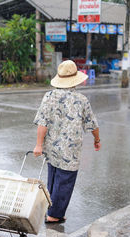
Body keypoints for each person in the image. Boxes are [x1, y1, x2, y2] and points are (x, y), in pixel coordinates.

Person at [33, 60, 101, 223]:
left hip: (52, 147)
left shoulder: (49, 96)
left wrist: (39, 145)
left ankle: (50, 208)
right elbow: (92, 124)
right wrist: (97, 140)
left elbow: (43, 122)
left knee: (54, 177)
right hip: (71, 150)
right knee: (65, 181)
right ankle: (54, 215)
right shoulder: (81, 100)